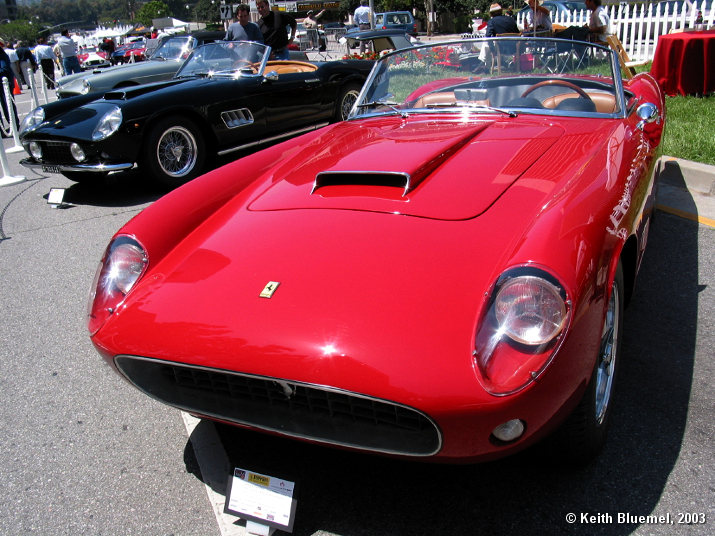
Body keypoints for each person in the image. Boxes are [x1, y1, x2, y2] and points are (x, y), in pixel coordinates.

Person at [0, 38, 19, 134]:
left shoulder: (2, 55)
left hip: (4, 85)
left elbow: (4, 69)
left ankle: (14, 125)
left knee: (8, 105)